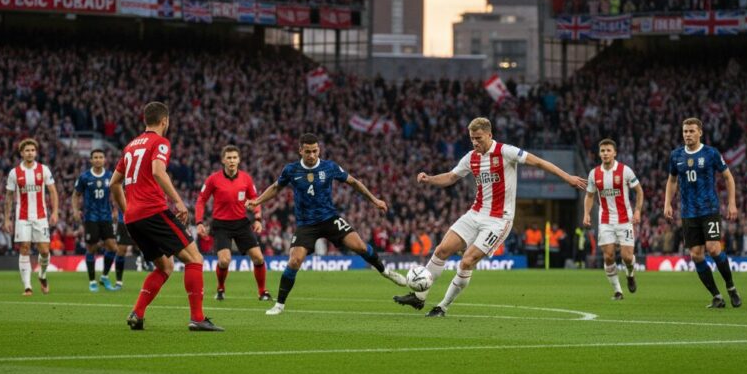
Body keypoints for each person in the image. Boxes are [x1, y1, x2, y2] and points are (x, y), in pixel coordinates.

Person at [393, 117, 587, 317]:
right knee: (442, 250)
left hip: (498, 220)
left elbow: (538, 162)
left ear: (489, 135)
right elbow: (451, 177)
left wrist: (568, 177)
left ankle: (442, 307)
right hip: (475, 213)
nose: (475, 142)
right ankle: (419, 298)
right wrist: (429, 179)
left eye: (478, 138)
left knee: (467, 261)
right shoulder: (471, 157)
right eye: (472, 139)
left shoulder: (505, 152)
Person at [246, 133, 407, 315]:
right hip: (306, 224)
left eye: (315, 151)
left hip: (330, 219)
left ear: (319, 150)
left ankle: (386, 272)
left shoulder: (329, 167)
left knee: (361, 246)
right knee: (295, 260)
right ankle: (279, 305)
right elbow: (276, 188)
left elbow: (353, 182)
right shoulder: (291, 170)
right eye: (308, 152)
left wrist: (375, 200)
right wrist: (257, 201)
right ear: (300, 151)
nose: (312, 155)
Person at [108, 102, 222, 332]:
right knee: (194, 258)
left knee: (165, 266)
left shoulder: (130, 147)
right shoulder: (160, 142)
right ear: (165, 121)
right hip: (153, 211)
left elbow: (114, 183)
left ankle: (137, 314)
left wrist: (126, 209)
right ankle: (197, 318)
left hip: (133, 218)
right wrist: (178, 201)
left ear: (145, 121)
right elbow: (158, 172)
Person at [664, 118, 742, 308]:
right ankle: (716, 296)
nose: (688, 135)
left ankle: (731, 288)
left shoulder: (710, 153)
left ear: (700, 132)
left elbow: (728, 178)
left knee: (714, 248)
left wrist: (732, 203)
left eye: (691, 131)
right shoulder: (676, 155)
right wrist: (667, 203)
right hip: (688, 212)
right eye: (685, 131)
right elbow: (672, 181)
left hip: (709, 209)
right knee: (696, 255)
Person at [195, 145, 272, 302]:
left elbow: (256, 199)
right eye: (229, 158)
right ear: (223, 160)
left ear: (239, 160)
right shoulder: (213, 179)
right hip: (221, 225)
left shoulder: (246, 178)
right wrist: (199, 222)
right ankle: (220, 288)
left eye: (234, 158)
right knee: (224, 260)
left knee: (258, 258)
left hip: (241, 223)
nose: (232, 161)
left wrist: (257, 218)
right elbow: (201, 200)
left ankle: (262, 292)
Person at [583, 138, 644, 300]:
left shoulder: (625, 171)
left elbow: (639, 191)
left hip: (625, 220)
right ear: (599, 153)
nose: (605, 153)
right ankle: (618, 291)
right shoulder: (594, 174)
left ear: (614, 153)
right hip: (605, 220)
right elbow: (589, 195)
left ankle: (630, 274)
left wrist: (637, 211)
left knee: (627, 257)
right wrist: (586, 213)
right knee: (608, 256)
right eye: (602, 151)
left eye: (608, 150)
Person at [4, 138, 59, 296]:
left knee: (44, 251)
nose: (30, 153)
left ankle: (42, 275)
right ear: (21, 153)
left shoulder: (44, 170)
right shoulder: (14, 173)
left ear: (36, 152)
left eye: (32, 150)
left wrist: (55, 212)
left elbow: (53, 192)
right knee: (25, 248)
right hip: (22, 217)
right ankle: (27, 286)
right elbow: (8, 196)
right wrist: (7, 218)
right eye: (27, 150)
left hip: (41, 216)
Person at [72, 149, 121, 292]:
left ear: (104, 159)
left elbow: (115, 194)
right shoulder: (85, 177)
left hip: (106, 217)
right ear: (91, 160)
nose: (98, 159)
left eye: (101, 157)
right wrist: (75, 210)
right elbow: (76, 195)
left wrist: (115, 209)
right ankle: (92, 281)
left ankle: (104, 277)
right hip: (91, 217)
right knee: (91, 248)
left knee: (113, 247)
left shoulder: (110, 176)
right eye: (96, 157)